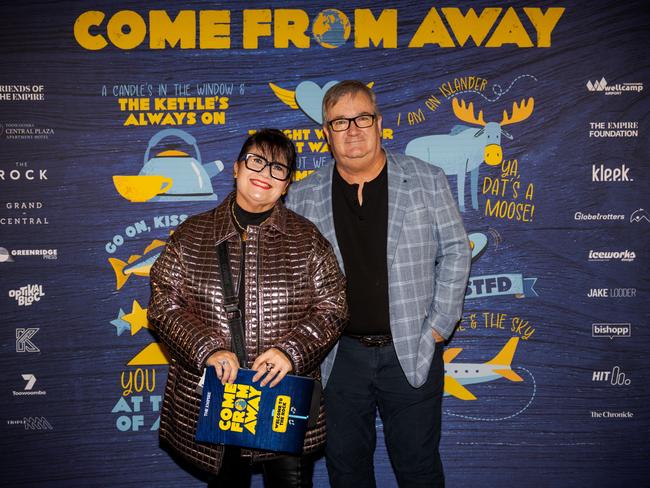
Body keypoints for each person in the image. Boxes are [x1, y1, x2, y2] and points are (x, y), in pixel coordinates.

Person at [286, 81, 471, 487]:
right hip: (337, 360)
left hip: (411, 351)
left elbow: (457, 250)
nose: (352, 130)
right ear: (326, 132)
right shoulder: (301, 196)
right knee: (347, 471)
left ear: (379, 122)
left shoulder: (427, 179)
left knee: (419, 469)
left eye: (362, 118)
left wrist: (439, 325)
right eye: (339, 122)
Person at [148, 128, 348, 487]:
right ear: (237, 168)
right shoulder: (191, 234)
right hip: (218, 393)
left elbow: (333, 307)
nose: (265, 173)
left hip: (283, 394)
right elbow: (163, 304)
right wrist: (206, 349)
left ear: (287, 184)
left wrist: (291, 352)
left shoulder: (308, 239)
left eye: (278, 168)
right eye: (257, 161)